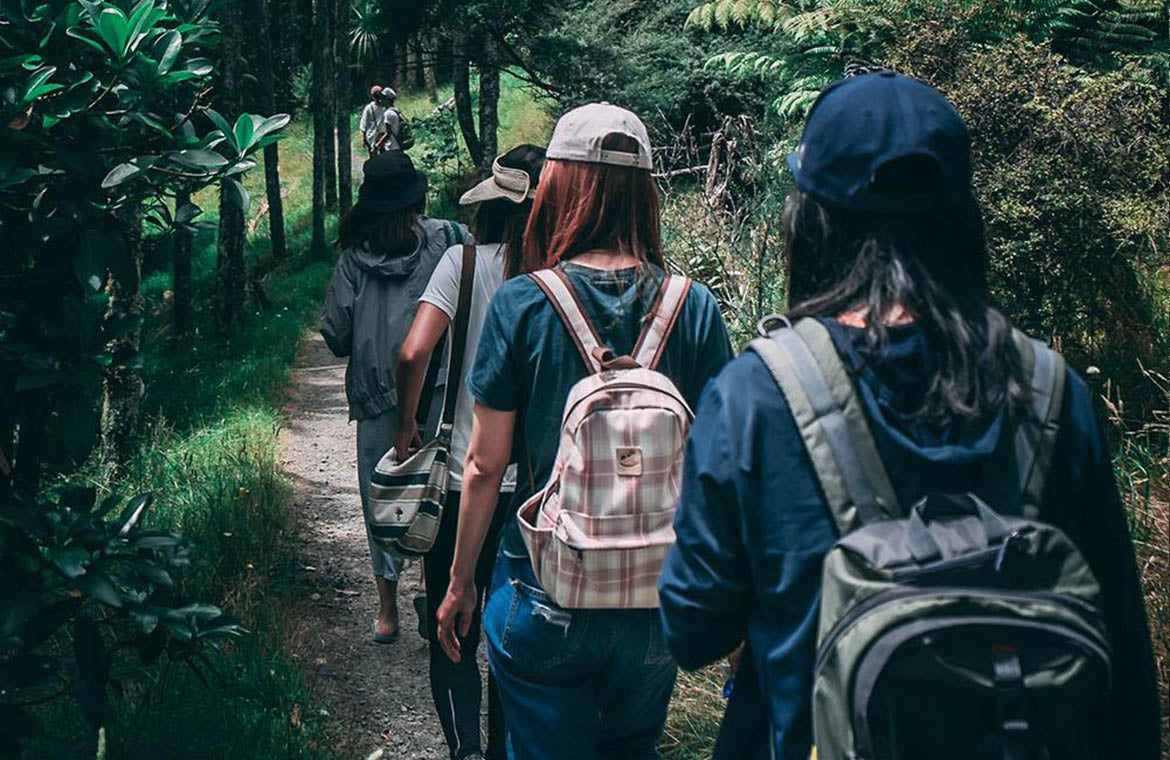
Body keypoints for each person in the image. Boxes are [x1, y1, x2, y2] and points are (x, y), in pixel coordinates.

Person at [657, 72, 1161, 759]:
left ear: (810, 220)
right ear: (962, 220)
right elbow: (1126, 660)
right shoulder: (1049, 391)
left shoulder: (757, 395)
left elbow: (694, 628)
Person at [435, 104, 733, 760]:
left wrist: (460, 583)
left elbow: (484, 467)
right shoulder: (695, 307)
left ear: (560, 188)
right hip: (654, 600)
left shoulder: (523, 302)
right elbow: (721, 467)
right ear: (645, 192)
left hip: (546, 589)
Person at [394, 144, 546, 760]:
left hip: (463, 477)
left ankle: (463, 750)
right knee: (513, 633)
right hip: (537, 487)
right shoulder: (558, 272)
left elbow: (413, 351)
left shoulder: (461, 263)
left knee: (451, 630)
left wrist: (408, 422)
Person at [319, 151, 472, 643]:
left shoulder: (352, 261)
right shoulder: (449, 240)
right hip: (443, 389)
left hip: (377, 395)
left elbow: (337, 334)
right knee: (441, 490)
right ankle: (432, 589)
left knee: (382, 497)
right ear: (417, 198)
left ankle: (388, 611)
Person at [360, 85, 386, 157]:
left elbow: (364, 125)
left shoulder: (369, 108)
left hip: (373, 136)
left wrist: (364, 139)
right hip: (382, 137)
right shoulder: (385, 106)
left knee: (374, 159)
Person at [375, 86, 403, 154]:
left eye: (382, 98)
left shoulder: (388, 114)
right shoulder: (396, 111)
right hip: (399, 146)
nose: (380, 100)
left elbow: (388, 133)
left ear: (387, 99)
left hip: (392, 147)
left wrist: (377, 146)